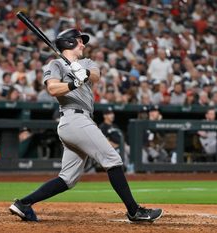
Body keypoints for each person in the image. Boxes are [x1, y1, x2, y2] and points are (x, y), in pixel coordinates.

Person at [9, 28, 162, 222]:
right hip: (73, 119)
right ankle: (134, 211)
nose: (83, 44)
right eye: (80, 41)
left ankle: (23, 203)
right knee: (112, 159)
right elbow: (53, 88)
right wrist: (73, 83)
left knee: (67, 179)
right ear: (69, 43)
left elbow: (96, 75)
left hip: (80, 121)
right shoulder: (55, 64)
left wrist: (84, 73)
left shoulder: (86, 63)